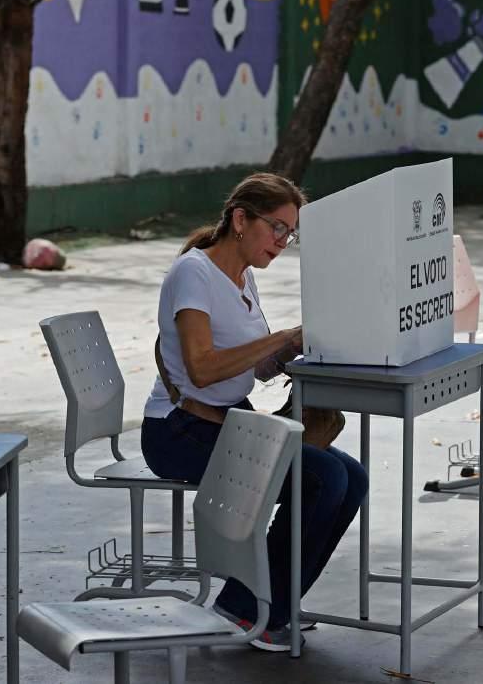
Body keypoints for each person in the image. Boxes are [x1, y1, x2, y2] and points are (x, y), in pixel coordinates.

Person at [141, 173, 368, 652]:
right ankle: (249, 608)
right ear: (241, 220)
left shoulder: (243, 277)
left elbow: (252, 368)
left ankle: (271, 605)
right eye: (277, 228)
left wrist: (296, 347)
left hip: (226, 419)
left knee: (353, 476)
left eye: (291, 233)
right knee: (322, 477)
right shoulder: (194, 273)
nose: (283, 242)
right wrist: (280, 338)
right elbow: (203, 368)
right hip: (179, 430)